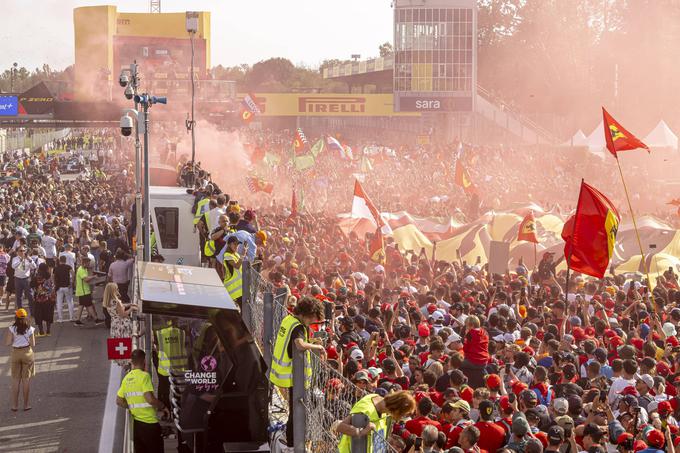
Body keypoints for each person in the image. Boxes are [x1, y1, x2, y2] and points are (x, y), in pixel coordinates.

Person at [269, 295, 326, 449]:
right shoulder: (299, 327)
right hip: (292, 376)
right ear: (307, 313)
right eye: (313, 318)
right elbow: (299, 344)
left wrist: (312, 342)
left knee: (296, 410)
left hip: (280, 372)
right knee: (297, 412)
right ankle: (293, 444)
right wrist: (318, 347)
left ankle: (292, 441)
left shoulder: (289, 320)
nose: (313, 322)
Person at [116, 349, 168, 453]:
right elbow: (150, 399)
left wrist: (132, 405)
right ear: (144, 361)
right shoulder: (145, 376)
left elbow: (119, 401)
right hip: (150, 425)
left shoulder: (126, 378)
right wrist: (163, 407)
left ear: (132, 362)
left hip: (137, 426)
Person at [336, 390, 417, 453]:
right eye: (401, 414)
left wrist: (391, 440)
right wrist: (362, 432)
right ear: (396, 408)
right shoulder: (366, 411)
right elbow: (340, 427)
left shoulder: (383, 408)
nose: (400, 418)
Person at [4, 308, 35, 411]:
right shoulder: (30, 329)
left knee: (15, 380)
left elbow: (8, 343)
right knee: (26, 380)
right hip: (27, 353)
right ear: (26, 317)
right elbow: (33, 344)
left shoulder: (12, 328)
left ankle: (14, 405)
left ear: (16, 317)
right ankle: (26, 405)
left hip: (16, 353)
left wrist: (14, 339)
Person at [104, 283, 137, 368]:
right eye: (117, 289)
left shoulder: (108, 301)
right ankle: (127, 364)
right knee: (126, 343)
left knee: (119, 344)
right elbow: (123, 314)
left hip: (114, 324)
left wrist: (128, 304)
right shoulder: (116, 301)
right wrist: (131, 308)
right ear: (113, 291)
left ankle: (123, 364)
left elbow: (120, 307)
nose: (118, 290)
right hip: (122, 325)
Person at [74, 256, 104, 326]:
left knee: (81, 305)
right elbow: (85, 279)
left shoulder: (84, 269)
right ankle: (96, 319)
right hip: (84, 291)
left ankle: (77, 320)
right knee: (89, 305)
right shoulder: (81, 270)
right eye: (88, 263)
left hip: (82, 291)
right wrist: (93, 277)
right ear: (84, 263)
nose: (89, 265)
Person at [32, 263, 55, 336]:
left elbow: (31, 285)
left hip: (38, 299)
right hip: (48, 299)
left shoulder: (37, 277)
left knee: (39, 315)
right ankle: (48, 331)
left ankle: (41, 332)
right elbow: (52, 287)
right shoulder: (49, 277)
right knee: (48, 314)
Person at [12, 246, 36, 311]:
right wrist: (21, 259)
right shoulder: (15, 259)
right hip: (18, 279)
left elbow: (34, 267)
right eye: (21, 251)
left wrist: (30, 260)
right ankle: (20, 312)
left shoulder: (28, 258)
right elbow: (13, 266)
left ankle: (32, 312)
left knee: (30, 296)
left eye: (23, 251)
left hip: (26, 279)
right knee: (19, 297)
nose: (22, 252)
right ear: (17, 252)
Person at [223, 235, 244, 306]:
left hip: (239, 289)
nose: (236, 246)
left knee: (243, 311)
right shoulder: (227, 255)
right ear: (229, 244)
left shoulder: (236, 255)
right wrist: (243, 256)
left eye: (237, 244)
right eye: (234, 244)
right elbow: (237, 266)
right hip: (233, 289)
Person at [53, 255, 74, 322]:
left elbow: (52, 276)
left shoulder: (56, 268)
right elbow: (73, 274)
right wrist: (72, 282)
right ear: (65, 260)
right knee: (70, 302)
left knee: (59, 302)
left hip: (59, 287)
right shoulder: (68, 267)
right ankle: (71, 317)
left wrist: (54, 284)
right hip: (67, 286)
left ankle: (60, 318)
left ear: (60, 260)